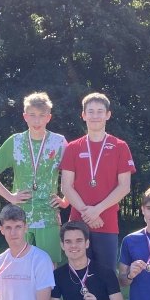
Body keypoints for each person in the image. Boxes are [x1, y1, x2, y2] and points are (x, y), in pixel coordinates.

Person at [0, 91, 68, 264]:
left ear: (49, 117)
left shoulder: (59, 142)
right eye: (32, 115)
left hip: (48, 216)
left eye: (41, 116)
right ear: (25, 116)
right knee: (21, 265)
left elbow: (75, 173)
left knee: (49, 267)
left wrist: (66, 201)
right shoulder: (16, 141)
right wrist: (10, 197)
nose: (37, 121)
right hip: (20, 218)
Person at [60, 92, 135, 270]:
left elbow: (124, 186)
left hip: (106, 222)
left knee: (106, 274)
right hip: (78, 224)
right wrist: (87, 213)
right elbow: (66, 186)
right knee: (78, 273)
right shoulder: (73, 147)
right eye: (91, 111)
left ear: (108, 114)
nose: (95, 116)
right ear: (83, 115)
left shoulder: (120, 146)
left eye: (100, 111)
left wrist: (97, 210)